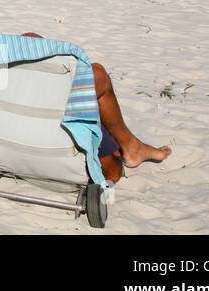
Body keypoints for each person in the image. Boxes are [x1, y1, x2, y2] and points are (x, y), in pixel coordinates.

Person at [22, 32, 171, 183]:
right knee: (97, 74)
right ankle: (132, 147)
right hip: (60, 156)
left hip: (15, 147)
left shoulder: (2, 86)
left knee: (30, 38)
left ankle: (132, 146)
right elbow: (112, 175)